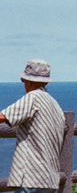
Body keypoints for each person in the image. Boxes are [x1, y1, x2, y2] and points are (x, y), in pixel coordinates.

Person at [0, 59, 66, 193]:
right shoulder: (55, 105)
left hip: (32, 176)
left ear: (28, 81)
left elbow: (3, 117)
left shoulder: (33, 97)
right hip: (50, 179)